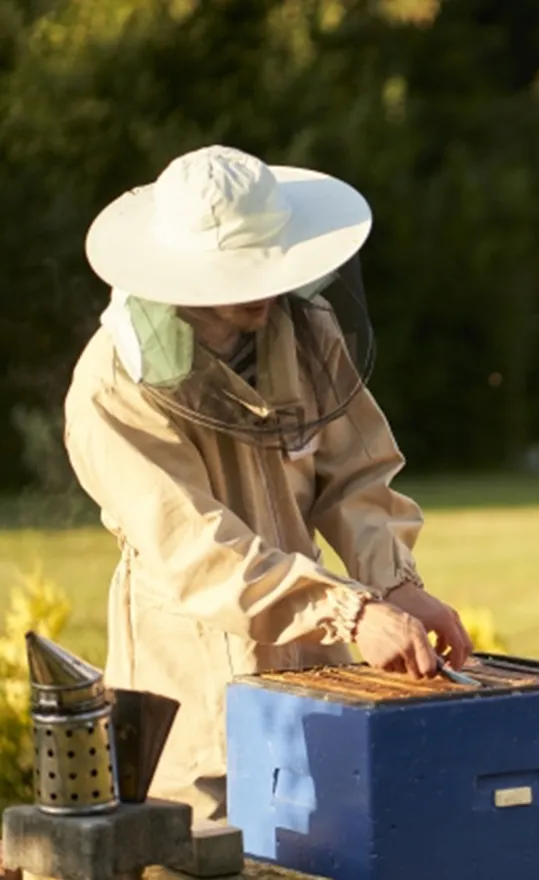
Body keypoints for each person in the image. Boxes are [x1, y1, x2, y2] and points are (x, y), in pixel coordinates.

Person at [63, 144, 474, 823]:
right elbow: (197, 552)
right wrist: (354, 612)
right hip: (188, 687)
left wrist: (395, 581)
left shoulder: (306, 331)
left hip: (312, 660)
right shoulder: (112, 385)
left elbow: (357, 473)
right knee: (204, 848)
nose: (260, 289)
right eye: (236, 274)